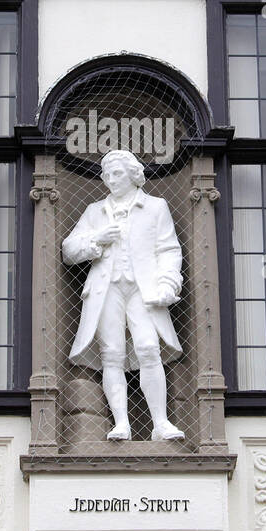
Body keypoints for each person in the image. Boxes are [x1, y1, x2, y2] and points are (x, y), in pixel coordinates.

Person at [62, 150, 185, 441]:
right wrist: (97, 239)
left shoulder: (156, 207)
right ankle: (121, 423)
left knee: (147, 348)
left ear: (133, 174)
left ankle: (160, 423)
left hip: (143, 289)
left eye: (116, 173)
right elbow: (69, 250)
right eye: (106, 175)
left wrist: (168, 283)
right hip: (107, 290)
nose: (110, 179)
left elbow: (168, 249)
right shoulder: (95, 212)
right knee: (112, 354)